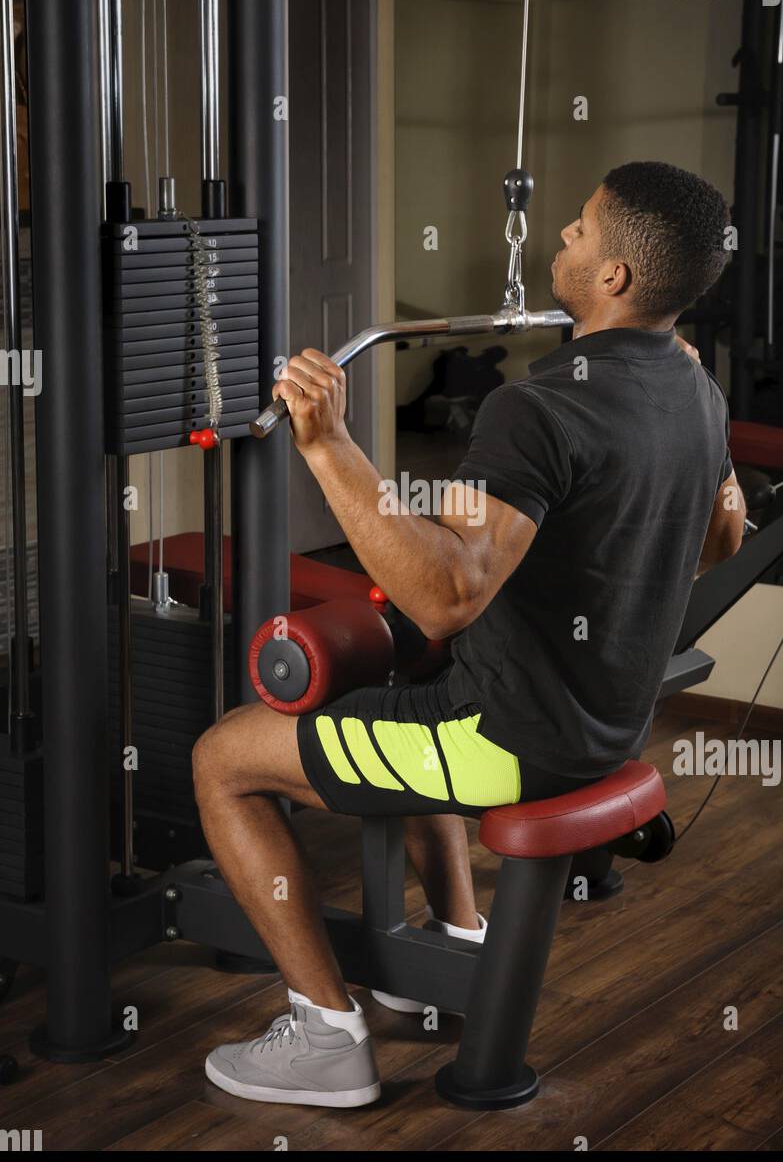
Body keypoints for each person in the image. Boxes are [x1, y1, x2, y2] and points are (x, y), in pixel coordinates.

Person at [194, 159, 746, 1108]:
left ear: (612, 276)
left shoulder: (536, 406)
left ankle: (326, 1036)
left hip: (511, 745)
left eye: (578, 227)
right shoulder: (693, 388)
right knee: (402, 707)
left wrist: (328, 444)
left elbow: (445, 598)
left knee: (222, 757)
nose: (562, 238)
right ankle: (447, 947)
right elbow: (720, 539)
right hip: (606, 730)